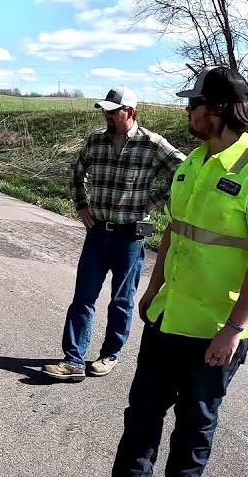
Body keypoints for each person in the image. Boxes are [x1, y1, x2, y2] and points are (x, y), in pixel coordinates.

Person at [70, 66, 248, 477]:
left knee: (196, 420)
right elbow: (175, 231)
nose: (187, 111)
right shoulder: (194, 162)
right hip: (169, 314)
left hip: (217, 326)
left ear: (216, 111)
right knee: (143, 411)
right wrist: (151, 293)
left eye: (193, 104)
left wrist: (235, 327)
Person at [43, 87, 184, 381]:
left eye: (112, 111)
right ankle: (73, 360)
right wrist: (82, 203)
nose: (106, 115)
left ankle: (110, 355)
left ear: (129, 112)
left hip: (131, 238)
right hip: (97, 234)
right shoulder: (96, 140)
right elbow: (76, 170)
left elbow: (184, 171)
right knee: (83, 297)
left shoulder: (152, 144)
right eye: (104, 111)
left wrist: (156, 199)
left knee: (122, 300)